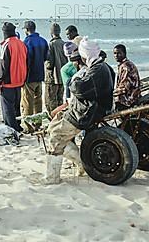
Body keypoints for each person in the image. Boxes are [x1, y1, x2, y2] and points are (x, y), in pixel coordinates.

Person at [46, 37, 114, 184]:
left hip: (86, 113)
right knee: (52, 127)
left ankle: (53, 178)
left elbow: (78, 88)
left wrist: (74, 81)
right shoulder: (103, 66)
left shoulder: (97, 70)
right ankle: (81, 163)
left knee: (56, 136)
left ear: (86, 55)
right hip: (87, 108)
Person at [0, 22, 28, 133]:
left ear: (5, 33)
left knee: (7, 108)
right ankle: (18, 126)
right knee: (16, 106)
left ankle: (11, 130)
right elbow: (26, 61)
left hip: (8, 82)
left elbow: (3, 66)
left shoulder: (7, 45)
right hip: (20, 80)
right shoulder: (21, 44)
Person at [22, 21, 49, 119]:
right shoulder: (43, 41)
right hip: (40, 74)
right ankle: (37, 124)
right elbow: (46, 57)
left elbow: (25, 60)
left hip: (29, 76)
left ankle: (29, 126)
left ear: (26, 30)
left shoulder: (27, 42)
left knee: (28, 102)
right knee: (38, 101)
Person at [45, 23, 67, 113]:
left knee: (50, 100)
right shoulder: (64, 44)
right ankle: (60, 118)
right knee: (60, 99)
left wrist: (45, 65)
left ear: (51, 32)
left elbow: (50, 64)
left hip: (53, 77)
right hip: (62, 76)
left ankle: (53, 120)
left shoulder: (52, 44)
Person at [113, 44, 141, 111]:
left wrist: (112, 93)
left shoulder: (125, 66)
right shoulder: (126, 64)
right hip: (132, 94)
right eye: (114, 53)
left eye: (119, 53)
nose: (116, 55)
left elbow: (124, 86)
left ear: (124, 53)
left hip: (130, 98)